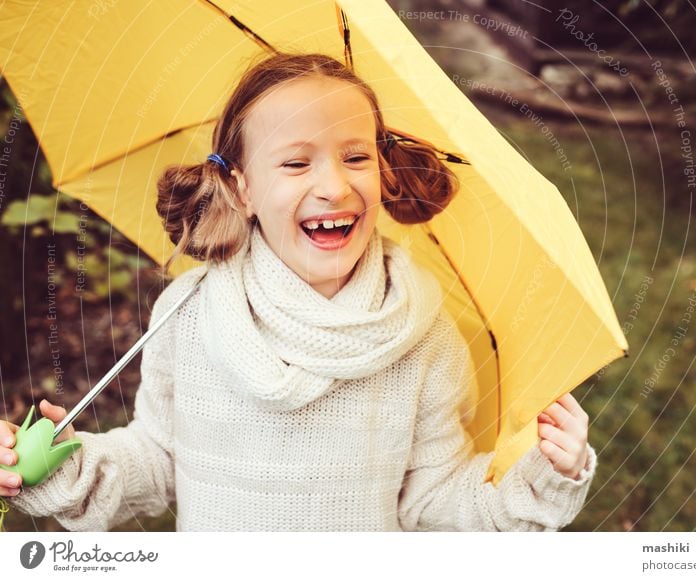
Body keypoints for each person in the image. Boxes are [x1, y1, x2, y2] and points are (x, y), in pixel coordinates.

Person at [0, 53, 595, 531]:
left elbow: (434, 499)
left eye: (355, 156)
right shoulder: (190, 312)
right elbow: (158, 461)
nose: (334, 186)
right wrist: (67, 467)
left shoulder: (422, 336)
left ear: (382, 173)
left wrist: (540, 476)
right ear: (242, 188)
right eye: (295, 163)